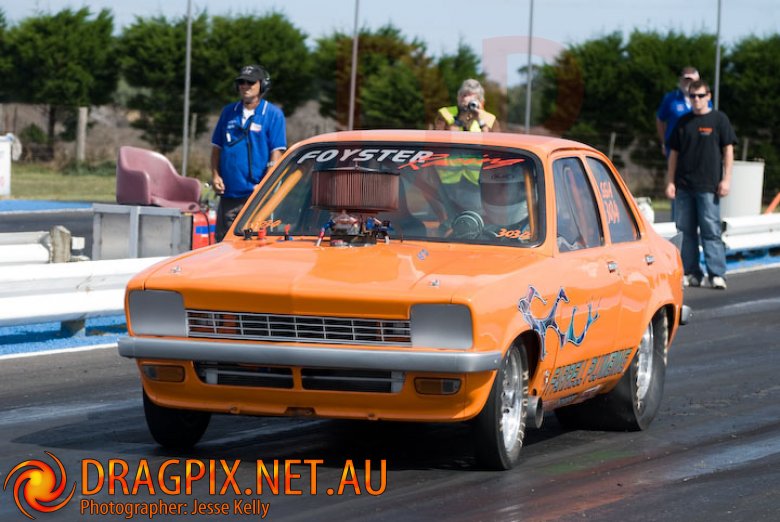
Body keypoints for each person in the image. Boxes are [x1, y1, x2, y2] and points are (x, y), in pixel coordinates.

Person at [665, 79, 737, 290]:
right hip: (684, 186)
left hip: (709, 186)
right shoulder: (682, 122)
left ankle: (717, 273)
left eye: (700, 96)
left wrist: (727, 179)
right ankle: (691, 272)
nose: (696, 100)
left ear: (708, 96)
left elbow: (728, 150)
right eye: (693, 96)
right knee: (685, 231)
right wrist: (670, 181)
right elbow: (673, 154)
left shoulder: (719, 119)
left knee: (710, 230)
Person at [211, 64, 287, 241]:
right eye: (241, 82)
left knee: (256, 245)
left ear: (262, 85)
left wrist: (266, 185)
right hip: (230, 195)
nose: (245, 86)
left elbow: (277, 153)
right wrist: (215, 175)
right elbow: (216, 148)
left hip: (257, 198)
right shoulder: (228, 112)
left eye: (250, 82)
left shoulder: (273, 114)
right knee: (224, 245)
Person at [656, 67, 700, 158]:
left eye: (691, 80)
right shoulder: (670, 98)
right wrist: (663, 142)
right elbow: (660, 120)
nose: (688, 83)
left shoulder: (704, 99)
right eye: (685, 80)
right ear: (680, 80)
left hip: (697, 148)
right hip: (675, 148)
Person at [434, 79, 499, 132]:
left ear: (480, 101)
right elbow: (440, 139)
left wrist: (480, 121)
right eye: (464, 95)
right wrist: (460, 120)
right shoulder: (445, 113)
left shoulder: (491, 119)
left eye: (474, 99)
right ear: (458, 97)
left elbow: (494, 140)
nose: (468, 102)